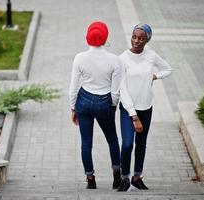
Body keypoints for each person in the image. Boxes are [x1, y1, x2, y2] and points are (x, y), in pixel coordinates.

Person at [117, 23, 173, 191]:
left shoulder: (151, 55)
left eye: (141, 38)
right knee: (127, 144)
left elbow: (168, 69)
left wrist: (155, 76)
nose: (137, 41)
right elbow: (123, 90)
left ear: (147, 39)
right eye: (134, 37)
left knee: (141, 143)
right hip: (128, 109)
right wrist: (134, 116)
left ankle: (137, 177)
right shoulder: (122, 59)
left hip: (146, 107)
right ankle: (124, 178)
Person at [69, 21, 122, 189]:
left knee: (86, 143)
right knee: (112, 139)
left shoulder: (79, 58)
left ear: (87, 38)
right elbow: (115, 92)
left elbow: (73, 88)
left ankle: (90, 179)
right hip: (104, 101)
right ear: (105, 38)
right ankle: (116, 176)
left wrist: (73, 108)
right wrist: (112, 107)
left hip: (83, 100)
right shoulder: (115, 60)